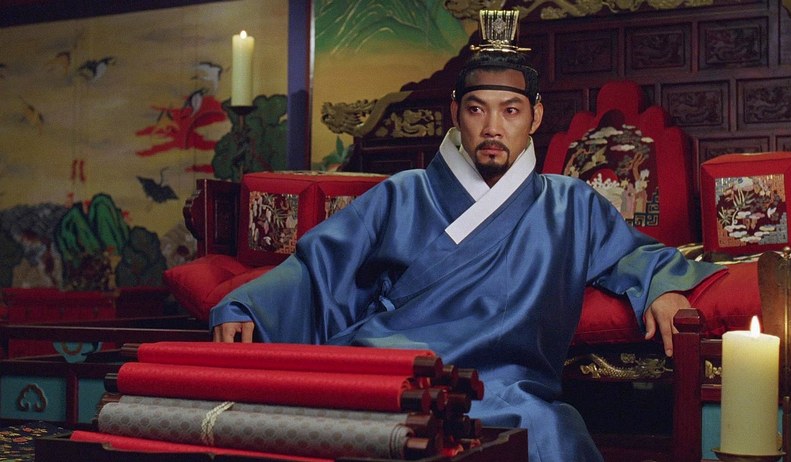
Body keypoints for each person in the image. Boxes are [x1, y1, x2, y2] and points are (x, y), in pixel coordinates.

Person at [210, 10, 723, 462]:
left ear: (536, 117)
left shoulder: (570, 205)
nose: (493, 128)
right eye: (477, 109)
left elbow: (637, 255)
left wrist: (662, 288)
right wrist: (247, 305)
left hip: (505, 389)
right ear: (455, 112)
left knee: (550, 431)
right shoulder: (405, 193)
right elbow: (319, 267)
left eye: (511, 110)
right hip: (394, 372)